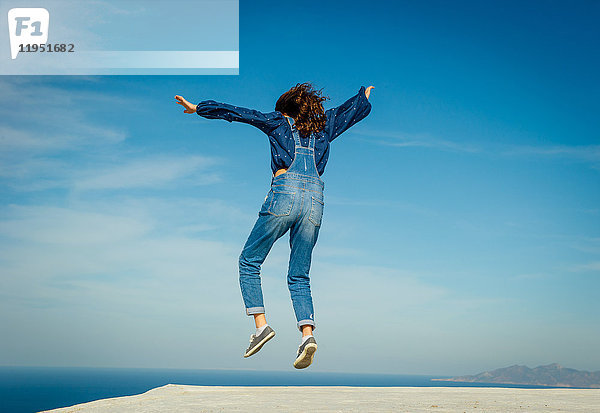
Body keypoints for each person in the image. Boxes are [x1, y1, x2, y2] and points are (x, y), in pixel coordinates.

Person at [175, 82, 373, 368]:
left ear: (287, 108)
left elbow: (239, 113)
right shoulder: (325, 127)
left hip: (285, 195)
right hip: (315, 201)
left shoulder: (278, 122)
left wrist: (199, 108)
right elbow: (350, 112)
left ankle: (261, 327)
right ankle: (307, 336)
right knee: (299, 275)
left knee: (249, 261)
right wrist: (362, 97)